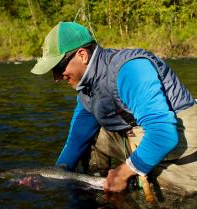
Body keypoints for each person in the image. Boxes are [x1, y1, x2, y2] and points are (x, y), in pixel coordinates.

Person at [31, 21, 197, 195]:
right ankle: (102, 189)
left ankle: (129, 179)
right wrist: (53, 177)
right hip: (143, 136)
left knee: (175, 197)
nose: (56, 78)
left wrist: (122, 173)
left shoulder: (130, 69)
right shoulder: (86, 89)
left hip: (181, 138)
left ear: (82, 55)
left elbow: (163, 134)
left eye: (58, 67)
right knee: (91, 135)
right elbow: (76, 140)